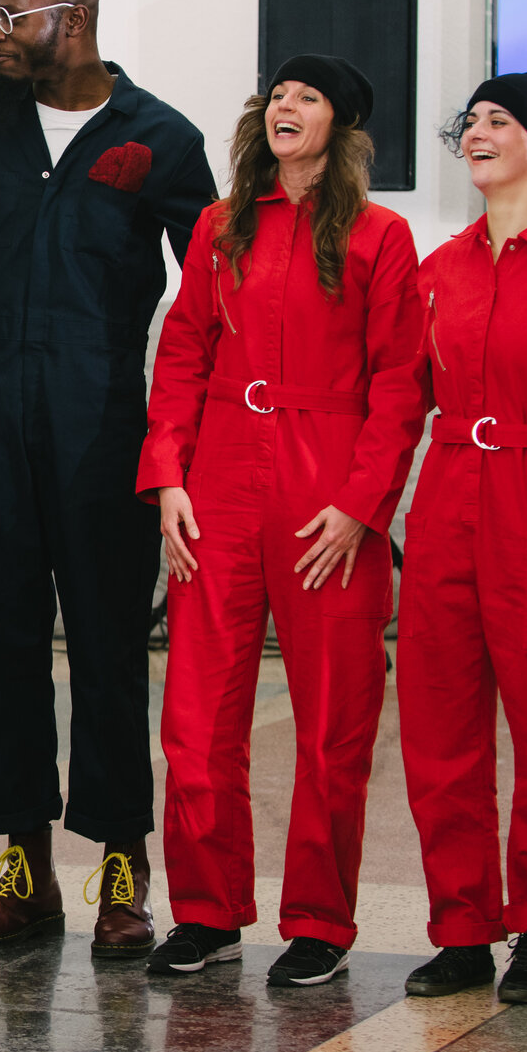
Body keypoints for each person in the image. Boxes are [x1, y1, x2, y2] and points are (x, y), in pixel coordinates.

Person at [0, 0, 215, 961]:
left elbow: (214, 292)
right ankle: (24, 863)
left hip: (103, 440)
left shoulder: (160, 138)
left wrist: (192, 438)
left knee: (105, 648)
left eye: (11, 15)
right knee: (0, 648)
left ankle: (123, 864)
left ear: (74, 18)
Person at [139, 55, 423, 987]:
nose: (284, 108)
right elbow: (182, 353)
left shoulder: (381, 237)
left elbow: (399, 384)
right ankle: (207, 910)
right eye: (276, 98)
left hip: (328, 488)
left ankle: (319, 921)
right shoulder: (223, 229)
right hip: (220, 478)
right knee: (194, 717)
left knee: (335, 716)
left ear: (339, 126)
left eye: (307, 98)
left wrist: (363, 505)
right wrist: (170, 476)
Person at [393, 74, 527, 1007]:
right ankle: (463, 926)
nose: (476, 132)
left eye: (499, 121)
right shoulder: (440, 267)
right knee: (440, 721)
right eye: (468, 120)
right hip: (446, 499)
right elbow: (397, 397)